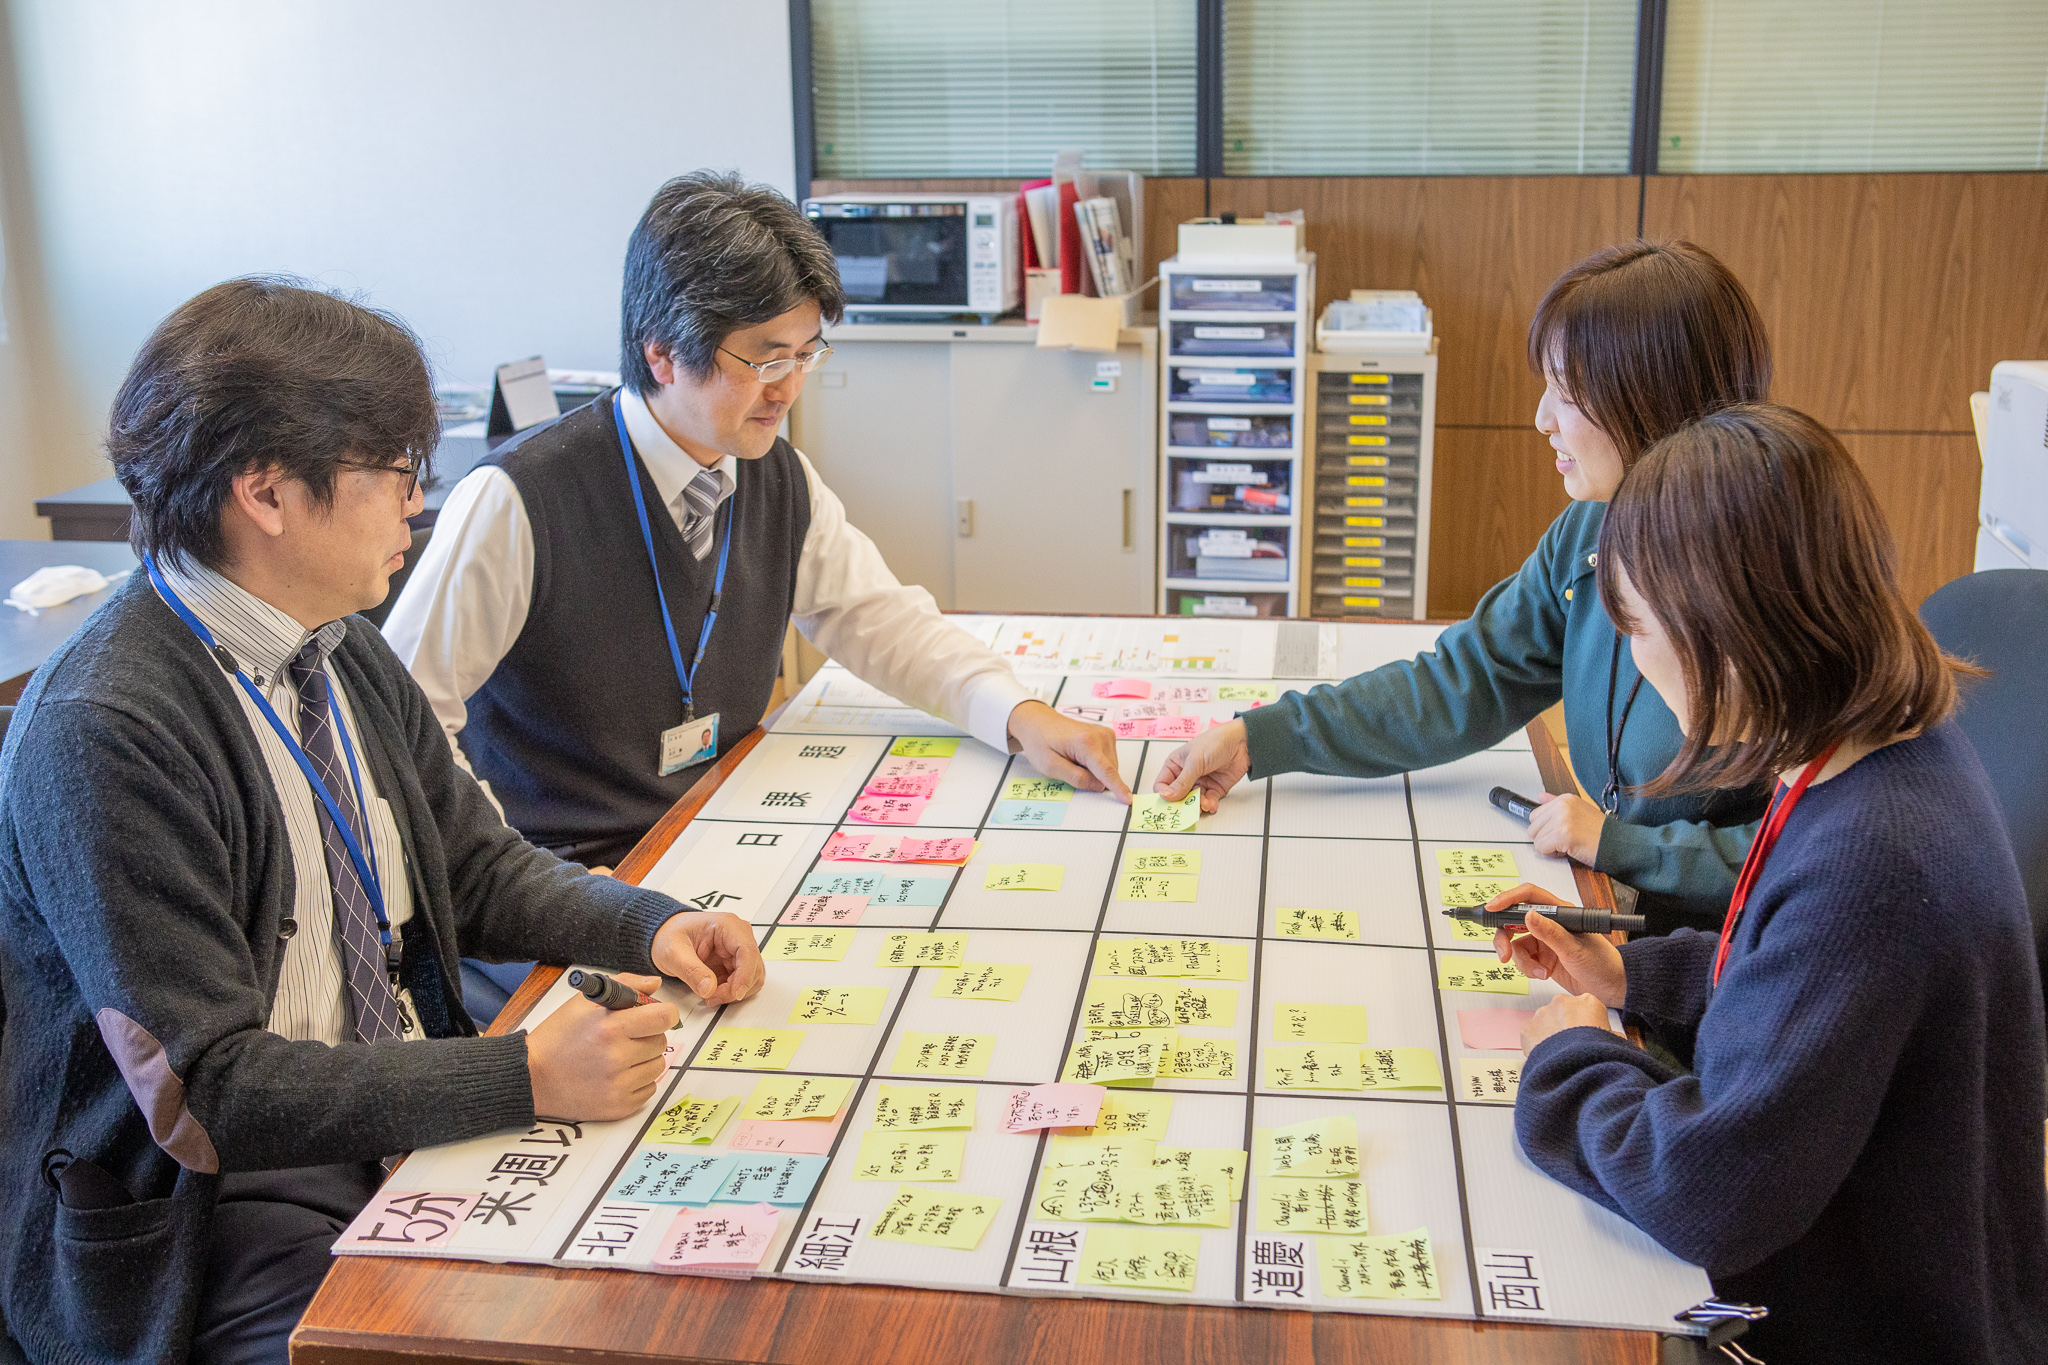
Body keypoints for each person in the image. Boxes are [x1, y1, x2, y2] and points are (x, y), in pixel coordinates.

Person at [0, 278, 766, 1365]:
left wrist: (645, 924)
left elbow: (478, 865)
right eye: (399, 473)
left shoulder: (336, 639)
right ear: (266, 494)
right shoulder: (108, 727)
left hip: (388, 1104)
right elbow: (209, 1094)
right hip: (215, 1209)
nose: (421, 502)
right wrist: (528, 1076)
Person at [1496, 404, 2048, 1362]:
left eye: (1638, 626)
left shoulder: (1873, 865)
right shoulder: (1872, 756)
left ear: (1727, 632)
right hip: (1878, 1255)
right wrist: (1630, 976)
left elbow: (1710, 1192)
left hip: (1860, 1322)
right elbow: (1797, 982)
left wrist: (1570, 1055)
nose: (1632, 655)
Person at [385, 170, 1126, 881]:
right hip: (567, 876)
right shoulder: (520, 499)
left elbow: (880, 619)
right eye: (766, 360)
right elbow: (399, 716)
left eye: (806, 355)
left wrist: (1018, 714)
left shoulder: (777, 477)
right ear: (662, 352)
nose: (790, 389)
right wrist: (522, 882)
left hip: (716, 832)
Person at [1155, 241, 1773, 931]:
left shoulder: (1770, 586)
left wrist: (1625, 846)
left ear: (1653, 403)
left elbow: (1817, 855)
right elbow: (1465, 680)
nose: (1542, 418)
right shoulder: (1593, 533)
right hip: (1606, 922)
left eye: (1568, 395)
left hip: (1706, 970)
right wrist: (1260, 738)